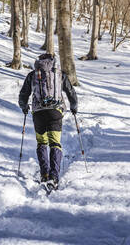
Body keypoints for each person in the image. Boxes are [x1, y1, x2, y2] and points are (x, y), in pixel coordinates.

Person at [18, 53, 78, 189]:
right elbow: (70, 92)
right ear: (53, 61)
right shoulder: (59, 74)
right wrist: (74, 107)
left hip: (38, 113)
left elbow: (23, 94)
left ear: (38, 61)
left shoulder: (33, 74)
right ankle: (54, 177)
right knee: (55, 143)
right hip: (55, 112)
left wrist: (24, 106)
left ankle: (44, 174)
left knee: (42, 143)